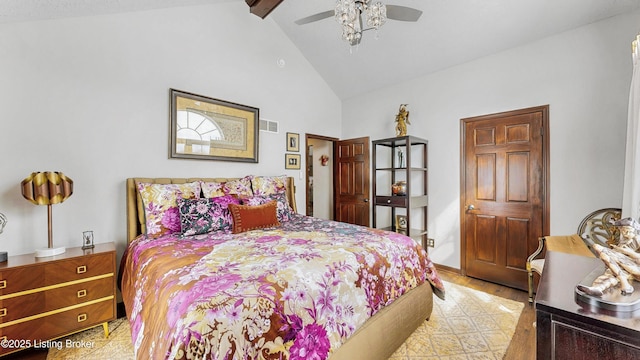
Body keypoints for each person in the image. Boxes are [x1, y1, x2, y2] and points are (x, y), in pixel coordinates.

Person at [576, 217, 640, 297]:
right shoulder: (624, 241)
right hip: (622, 267)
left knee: (599, 248)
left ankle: (624, 282)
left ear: (634, 230)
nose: (626, 233)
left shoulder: (638, 239)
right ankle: (598, 288)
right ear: (620, 229)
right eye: (624, 230)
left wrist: (630, 253)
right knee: (610, 271)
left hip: (635, 267)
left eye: (629, 230)